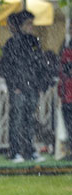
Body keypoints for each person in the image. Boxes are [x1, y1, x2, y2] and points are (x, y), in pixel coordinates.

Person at [0, 11, 48, 163]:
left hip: (31, 87)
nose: (31, 27)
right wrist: (14, 86)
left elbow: (39, 63)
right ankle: (15, 151)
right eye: (28, 24)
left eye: (31, 23)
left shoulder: (33, 42)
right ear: (21, 26)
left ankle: (29, 150)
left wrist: (39, 84)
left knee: (30, 119)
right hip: (19, 88)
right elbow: (8, 67)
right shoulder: (12, 44)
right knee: (17, 120)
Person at [59, 28, 72, 159]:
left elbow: (64, 71)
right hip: (67, 96)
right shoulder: (66, 50)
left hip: (67, 95)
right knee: (69, 126)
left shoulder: (66, 51)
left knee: (69, 125)